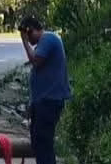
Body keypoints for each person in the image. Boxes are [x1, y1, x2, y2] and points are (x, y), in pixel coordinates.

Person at [19, 15, 71, 164]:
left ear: (31, 30)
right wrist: (32, 104)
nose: (29, 41)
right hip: (42, 102)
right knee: (38, 143)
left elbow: (35, 61)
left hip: (49, 102)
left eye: (28, 36)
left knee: (43, 144)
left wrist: (24, 42)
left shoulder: (48, 39)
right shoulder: (46, 41)